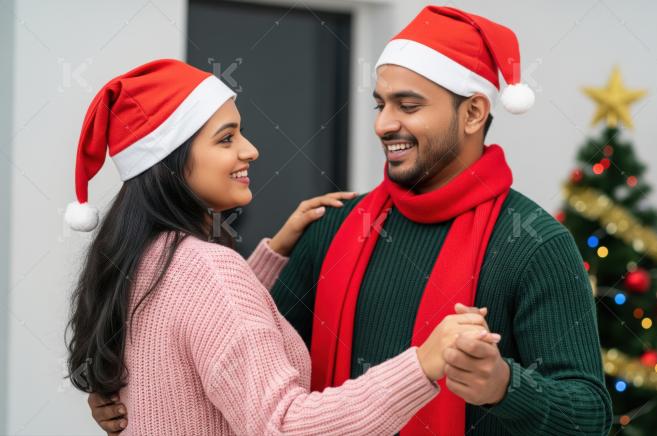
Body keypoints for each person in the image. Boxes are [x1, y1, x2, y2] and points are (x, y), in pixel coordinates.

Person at [92, 6, 614, 435]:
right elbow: (230, 348)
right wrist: (130, 390)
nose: (385, 124)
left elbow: (591, 414)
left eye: (408, 105)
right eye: (380, 104)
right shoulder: (332, 226)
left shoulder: (534, 244)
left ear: (473, 113)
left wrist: (505, 386)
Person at [66, 59, 497, 435]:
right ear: (171, 165)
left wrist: (273, 255)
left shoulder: (141, 258)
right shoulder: (209, 269)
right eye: (226, 138)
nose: (250, 150)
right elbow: (283, 426)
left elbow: (200, 327)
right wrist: (423, 363)